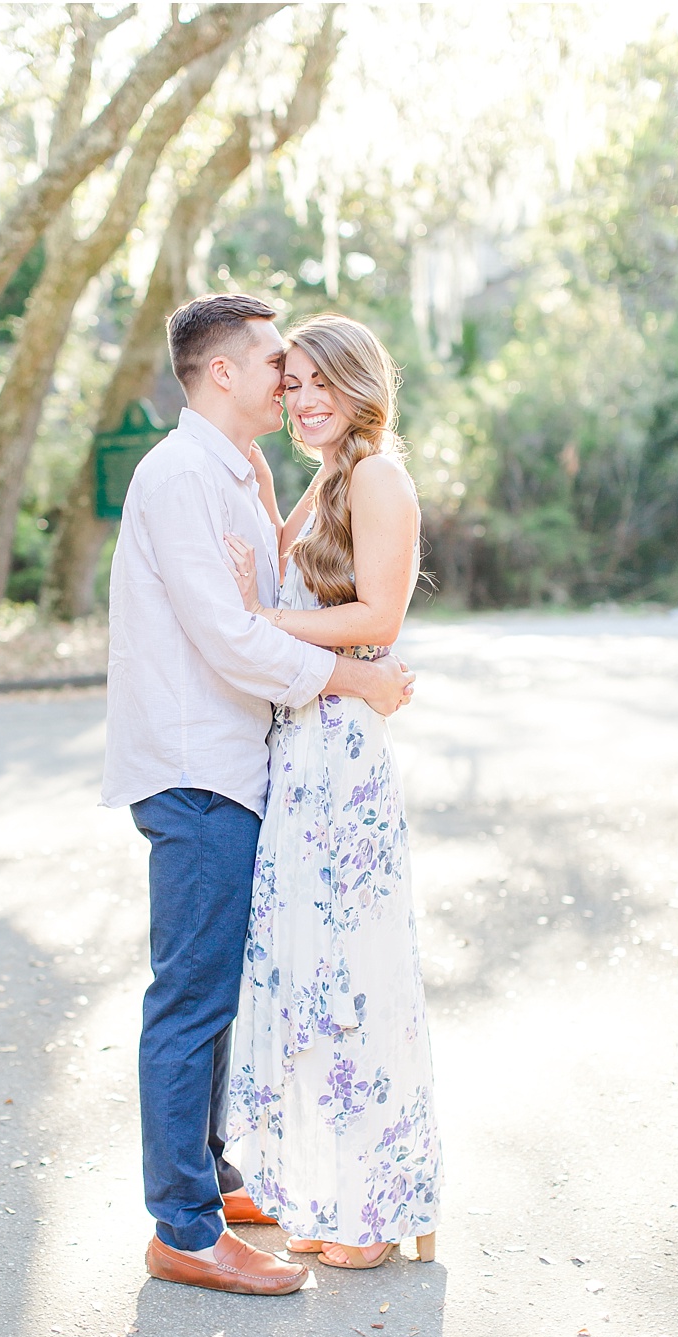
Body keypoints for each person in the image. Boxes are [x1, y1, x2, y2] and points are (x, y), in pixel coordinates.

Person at [104, 292, 417, 1296]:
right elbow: (232, 634)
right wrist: (354, 677)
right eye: (281, 363)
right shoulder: (179, 477)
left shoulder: (245, 474)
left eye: (312, 371)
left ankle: (215, 1175)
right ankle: (185, 1229)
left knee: (222, 988)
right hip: (197, 767)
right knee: (191, 995)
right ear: (225, 372)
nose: (293, 381)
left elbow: (284, 605)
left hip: (249, 765)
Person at [219, 313, 440, 1273]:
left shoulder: (381, 476)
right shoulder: (322, 479)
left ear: (362, 386)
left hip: (342, 751)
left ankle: (377, 1209)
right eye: (293, 381)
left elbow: (379, 613)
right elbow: (289, 571)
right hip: (299, 747)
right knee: (306, 972)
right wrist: (265, 485)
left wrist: (263, 616)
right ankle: (329, 1189)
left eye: (322, 383)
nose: (305, 400)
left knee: (354, 970)